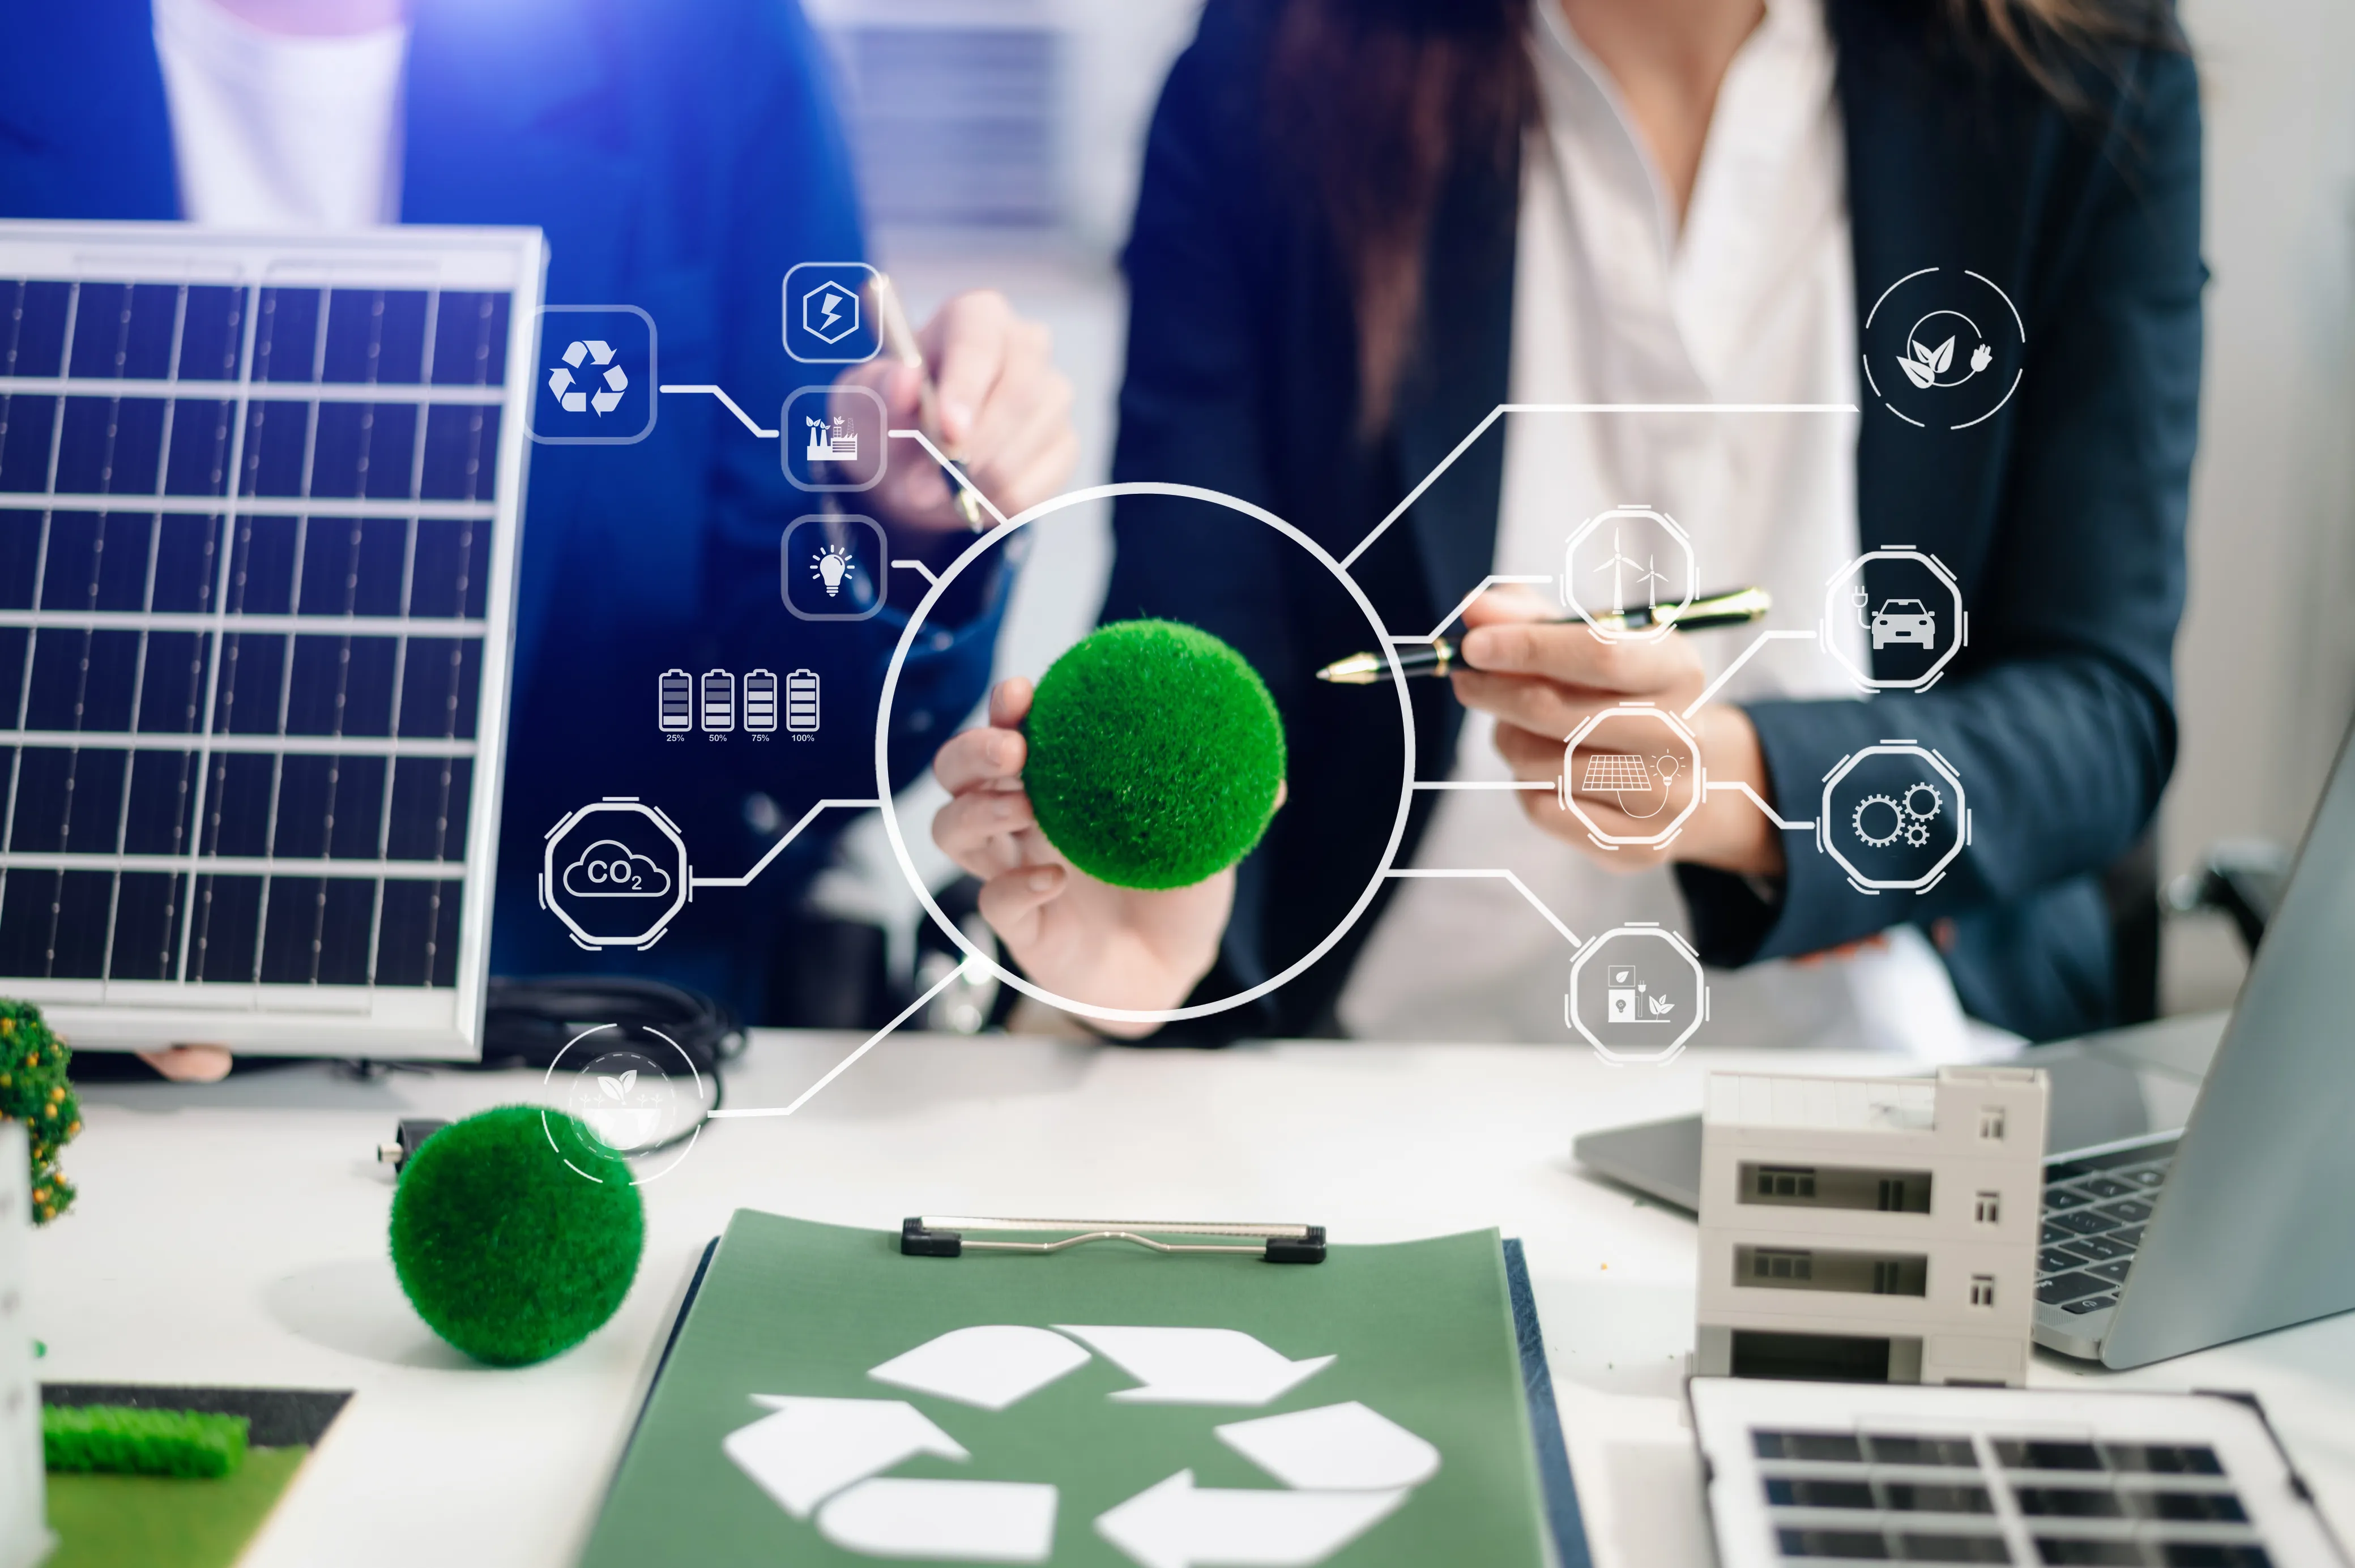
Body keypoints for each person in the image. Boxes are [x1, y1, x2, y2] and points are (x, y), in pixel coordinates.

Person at [933, 0, 2199, 1050]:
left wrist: (1733, 785)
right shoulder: (1273, 67)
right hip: (1379, 1066)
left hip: (1907, 1056)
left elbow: (2099, 704)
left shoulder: (2078, 74)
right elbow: (1205, 623)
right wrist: (1167, 930)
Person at [0, 0, 1078, 1076]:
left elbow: (803, 735)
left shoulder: (707, 51)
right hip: (66, 1088)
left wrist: (896, 523)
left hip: (578, 1066)